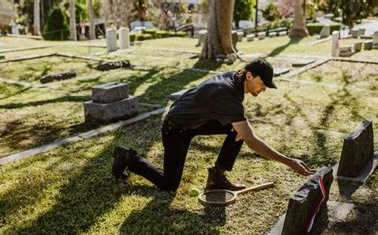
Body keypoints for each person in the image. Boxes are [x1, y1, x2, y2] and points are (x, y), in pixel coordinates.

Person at [112, 59, 315, 192]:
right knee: (169, 184)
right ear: (249, 76)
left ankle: (216, 177)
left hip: (193, 122)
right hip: (175, 128)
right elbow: (251, 140)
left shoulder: (234, 79)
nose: (264, 89)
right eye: (263, 84)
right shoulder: (227, 95)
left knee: (237, 129)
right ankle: (129, 157)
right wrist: (289, 162)